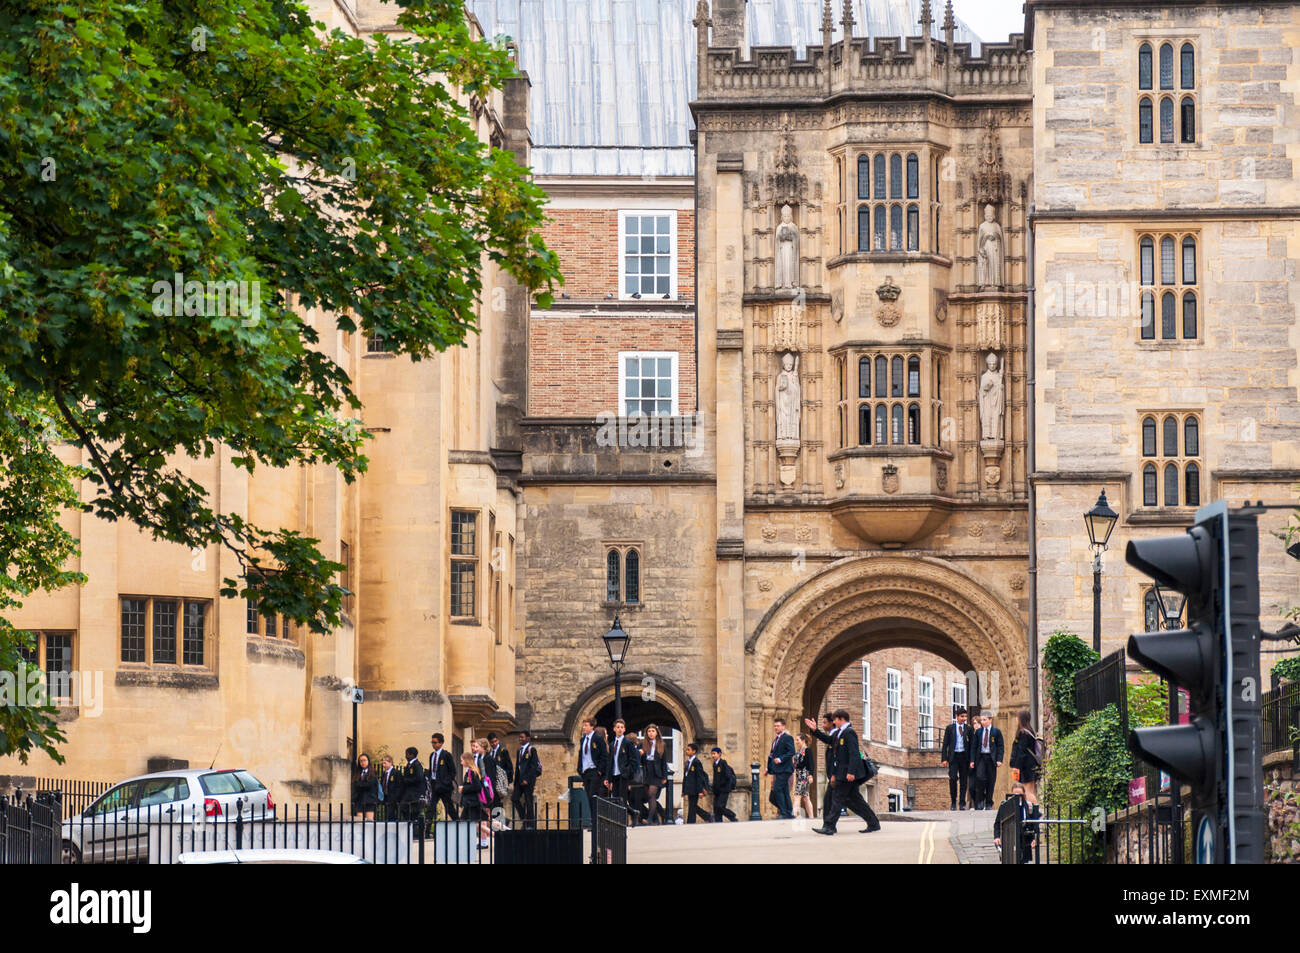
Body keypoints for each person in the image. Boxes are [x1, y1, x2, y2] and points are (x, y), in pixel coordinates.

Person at [812, 709, 880, 836]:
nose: (834, 722)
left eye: (835, 720)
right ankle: (873, 823)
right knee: (855, 801)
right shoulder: (839, 733)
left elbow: (854, 754)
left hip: (846, 774)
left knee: (836, 799)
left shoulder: (849, 733)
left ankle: (829, 826)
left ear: (841, 719)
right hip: (841, 773)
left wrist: (851, 772)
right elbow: (828, 740)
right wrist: (815, 731)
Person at [993, 782, 1040, 863]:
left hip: (1025, 840)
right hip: (1010, 838)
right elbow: (997, 823)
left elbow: (1034, 824)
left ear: (1024, 794)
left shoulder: (1028, 806)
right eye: (1015, 794)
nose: (1018, 797)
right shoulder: (1005, 806)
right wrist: (997, 837)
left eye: (1020, 794)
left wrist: (1034, 839)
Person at [804, 714, 837, 822]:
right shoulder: (833, 734)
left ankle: (828, 825)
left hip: (837, 775)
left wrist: (816, 730)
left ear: (832, 723)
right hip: (834, 775)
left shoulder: (837, 734)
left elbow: (829, 740)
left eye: (825, 722)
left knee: (829, 802)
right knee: (831, 801)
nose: (823, 725)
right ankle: (828, 825)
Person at [969, 710, 1004, 810]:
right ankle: (980, 800)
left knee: (991, 781)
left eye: (984, 720)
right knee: (980, 778)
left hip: (991, 758)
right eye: (981, 720)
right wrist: (972, 760)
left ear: (990, 720)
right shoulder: (979, 732)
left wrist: (999, 759)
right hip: (981, 758)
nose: (982, 722)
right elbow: (974, 747)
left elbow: (1000, 746)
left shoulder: (996, 732)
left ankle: (989, 803)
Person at [940, 707, 974, 811]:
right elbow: (945, 744)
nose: (964, 719)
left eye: (965, 716)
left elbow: (972, 745)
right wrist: (944, 759)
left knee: (964, 781)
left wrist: (972, 760)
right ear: (956, 717)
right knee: (953, 778)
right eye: (962, 716)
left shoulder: (969, 729)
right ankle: (953, 802)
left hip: (964, 757)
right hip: (953, 757)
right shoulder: (950, 728)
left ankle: (962, 803)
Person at [1009, 708, 1041, 806]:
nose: (1016, 719)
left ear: (1021, 719)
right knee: (1030, 790)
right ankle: (1033, 811)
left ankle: (1035, 811)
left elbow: (1021, 752)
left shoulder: (1023, 733)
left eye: (1017, 717)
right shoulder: (1030, 731)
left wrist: (1016, 766)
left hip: (1026, 766)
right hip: (1031, 764)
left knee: (1027, 791)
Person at [458, 752, 491, 849]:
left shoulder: (472, 772)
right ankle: (466, 842)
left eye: (462, 760)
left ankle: (498, 835)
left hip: (473, 803)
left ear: (466, 760)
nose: (461, 762)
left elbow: (477, 787)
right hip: (469, 802)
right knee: (467, 822)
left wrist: (463, 789)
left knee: (478, 824)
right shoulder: (470, 771)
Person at [766, 717, 795, 819]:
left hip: (785, 769)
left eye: (778, 726)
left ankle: (783, 812)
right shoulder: (775, 740)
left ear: (783, 727)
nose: (776, 728)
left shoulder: (787, 738)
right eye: (774, 726)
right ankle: (789, 812)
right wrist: (768, 768)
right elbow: (771, 755)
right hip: (778, 769)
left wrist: (781, 759)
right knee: (784, 791)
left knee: (777, 789)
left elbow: (791, 752)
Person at [577, 717, 608, 812]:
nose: (583, 727)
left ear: (592, 727)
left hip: (595, 770)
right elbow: (581, 755)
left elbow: (604, 755)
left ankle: (596, 821)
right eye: (583, 725)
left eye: (586, 725)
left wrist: (599, 770)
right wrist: (579, 769)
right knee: (589, 797)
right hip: (586, 771)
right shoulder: (583, 740)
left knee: (593, 796)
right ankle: (593, 820)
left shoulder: (597, 739)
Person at [640, 724, 668, 824]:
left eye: (653, 731)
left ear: (656, 733)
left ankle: (650, 818)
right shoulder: (643, 744)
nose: (651, 733)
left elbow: (664, 762)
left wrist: (664, 776)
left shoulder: (661, 745)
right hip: (647, 771)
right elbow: (640, 760)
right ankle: (656, 818)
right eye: (649, 731)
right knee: (649, 796)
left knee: (652, 794)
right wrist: (640, 753)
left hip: (657, 773)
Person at [513, 729, 541, 824]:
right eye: (519, 737)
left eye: (522, 737)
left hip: (528, 780)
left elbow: (533, 766)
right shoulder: (519, 751)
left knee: (529, 801)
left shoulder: (531, 750)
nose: (520, 739)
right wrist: (516, 780)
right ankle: (523, 818)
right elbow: (518, 766)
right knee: (515, 798)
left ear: (527, 738)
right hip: (520, 780)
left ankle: (530, 823)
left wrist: (527, 779)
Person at [428, 733, 457, 821]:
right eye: (432, 742)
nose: (433, 744)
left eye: (435, 742)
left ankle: (458, 824)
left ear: (441, 743)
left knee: (449, 808)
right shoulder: (432, 755)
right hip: (434, 784)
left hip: (444, 787)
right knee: (431, 808)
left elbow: (453, 772)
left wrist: (445, 782)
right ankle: (427, 830)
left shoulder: (446, 755)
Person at [681, 743, 713, 823]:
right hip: (689, 788)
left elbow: (699, 777)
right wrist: (683, 790)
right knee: (692, 806)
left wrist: (700, 791)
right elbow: (685, 777)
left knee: (692, 806)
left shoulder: (696, 762)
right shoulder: (687, 762)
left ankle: (691, 821)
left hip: (695, 788)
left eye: (688, 750)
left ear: (694, 751)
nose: (686, 751)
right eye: (686, 749)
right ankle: (707, 816)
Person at [607, 718, 635, 805]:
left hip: (623, 774)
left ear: (624, 729)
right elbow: (610, 761)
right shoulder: (612, 744)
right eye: (618, 727)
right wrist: (608, 778)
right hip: (614, 774)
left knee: (622, 799)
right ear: (614, 729)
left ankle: (624, 818)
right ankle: (617, 818)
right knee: (615, 798)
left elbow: (633, 759)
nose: (620, 729)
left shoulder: (628, 743)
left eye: (622, 727)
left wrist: (628, 771)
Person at [487, 732, 514, 814]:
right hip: (492, 782)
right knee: (494, 803)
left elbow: (509, 767)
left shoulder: (503, 751)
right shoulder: (489, 753)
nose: (494, 743)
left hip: (500, 782)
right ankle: (497, 822)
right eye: (492, 742)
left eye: (495, 741)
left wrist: (507, 781)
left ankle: (500, 821)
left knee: (498, 803)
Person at [710, 747, 739, 822]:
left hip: (724, 789)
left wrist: (722, 784)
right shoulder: (714, 764)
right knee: (716, 807)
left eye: (714, 754)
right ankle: (718, 821)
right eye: (712, 754)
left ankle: (732, 816)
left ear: (719, 754)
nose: (713, 756)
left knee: (720, 806)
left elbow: (728, 775)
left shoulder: (723, 762)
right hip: (717, 790)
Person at [397, 746, 425, 821]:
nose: (406, 756)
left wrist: (407, 780)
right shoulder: (408, 765)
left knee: (414, 809)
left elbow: (419, 778)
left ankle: (413, 822)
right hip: (408, 792)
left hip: (415, 792)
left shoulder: (417, 765)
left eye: (407, 754)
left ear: (412, 755)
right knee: (403, 807)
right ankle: (410, 821)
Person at [792, 733, 815, 820]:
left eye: (798, 740)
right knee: (806, 797)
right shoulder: (799, 751)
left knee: (797, 796)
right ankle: (811, 817)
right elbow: (797, 764)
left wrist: (810, 775)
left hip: (804, 776)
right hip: (799, 776)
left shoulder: (807, 750)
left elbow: (811, 764)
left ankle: (796, 816)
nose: (796, 742)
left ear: (803, 740)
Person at [352, 753, 378, 820]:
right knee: (359, 822)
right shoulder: (357, 773)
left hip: (370, 801)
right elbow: (355, 784)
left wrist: (360, 784)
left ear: (368, 761)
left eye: (364, 760)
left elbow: (369, 785)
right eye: (361, 761)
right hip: (359, 801)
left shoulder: (373, 772)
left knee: (369, 822)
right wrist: (361, 785)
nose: (363, 762)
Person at [378, 754, 399, 819]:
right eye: (382, 763)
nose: (383, 765)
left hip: (393, 798)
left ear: (390, 763)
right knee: (387, 814)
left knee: (391, 815)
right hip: (386, 796)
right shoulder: (385, 773)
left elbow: (399, 786)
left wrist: (396, 797)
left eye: (385, 763)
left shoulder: (396, 773)